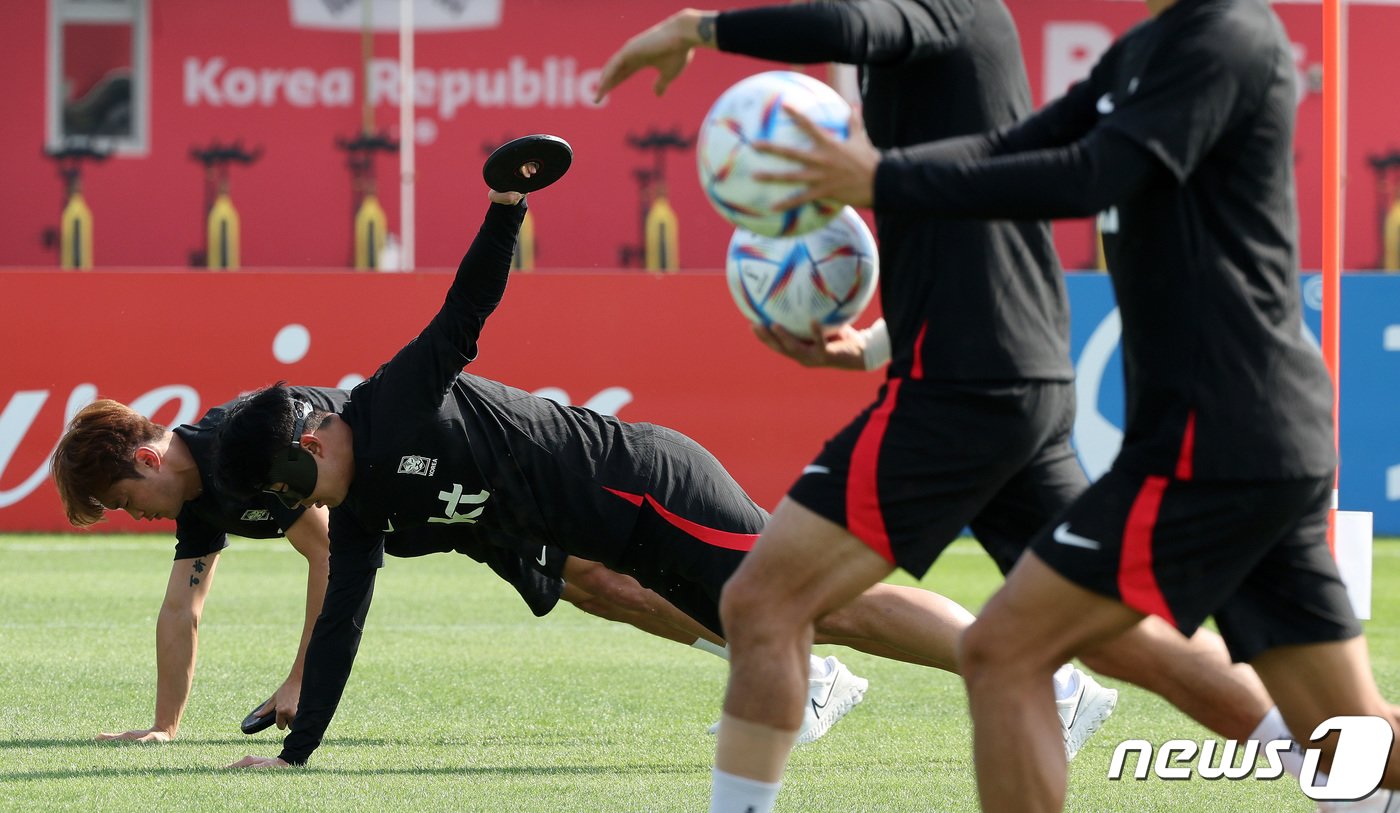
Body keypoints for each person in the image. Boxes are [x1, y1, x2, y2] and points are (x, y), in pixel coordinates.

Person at [595, 4, 1329, 812]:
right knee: (1116, 640)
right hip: (1009, 371)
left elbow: (855, 31)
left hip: (966, 385)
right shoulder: (1019, 44)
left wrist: (700, 29)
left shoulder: (944, 6)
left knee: (762, 598)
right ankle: (1341, 772)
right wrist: (877, 344)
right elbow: (985, 195)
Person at [210, 187, 1108, 770]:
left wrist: (503, 203)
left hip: (649, 485)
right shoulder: (362, 509)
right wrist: (297, 758)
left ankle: (1056, 684)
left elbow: (465, 310)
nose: (304, 503)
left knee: (826, 602)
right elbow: (341, 623)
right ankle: (861, 685)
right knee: (811, 610)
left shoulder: (388, 403)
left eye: (297, 479)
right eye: (290, 500)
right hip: (627, 540)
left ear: (315, 434)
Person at [50, 390, 772, 740]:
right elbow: (184, 605)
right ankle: (766, 662)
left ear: (148, 459)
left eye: (123, 499)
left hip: (459, 471)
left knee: (606, 578)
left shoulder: (238, 454)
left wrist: (302, 678)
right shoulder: (201, 496)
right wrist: (164, 725)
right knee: (596, 592)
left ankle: (785, 665)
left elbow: (327, 548)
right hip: (440, 516)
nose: (133, 515)